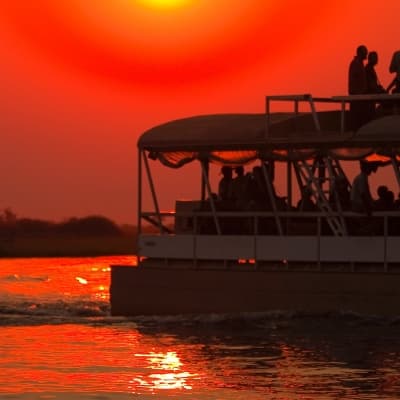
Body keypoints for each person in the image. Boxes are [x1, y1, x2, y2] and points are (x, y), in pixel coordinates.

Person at [348, 45, 370, 130]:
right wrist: (357, 92)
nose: (366, 55)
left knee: (360, 115)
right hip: (356, 94)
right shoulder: (355, 64)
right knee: (356, 116)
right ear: (360, 53)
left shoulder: (360, 63)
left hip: (360, 94)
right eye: (365, 52)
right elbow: (354, 79)